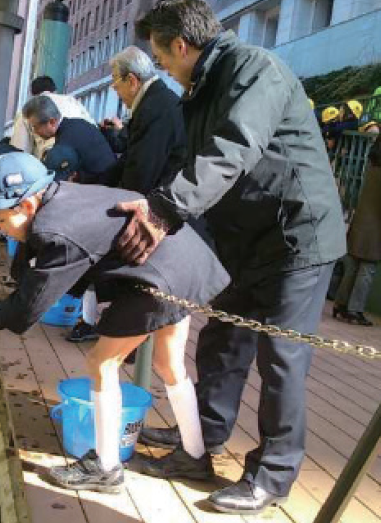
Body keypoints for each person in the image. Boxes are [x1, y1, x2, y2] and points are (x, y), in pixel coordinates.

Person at [118, 0, 346, 514]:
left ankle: (274, 474)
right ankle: (199, 446)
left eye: (161, 57)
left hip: (297, 239)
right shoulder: (199, 90)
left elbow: (232, 148)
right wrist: (159, 210)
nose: (164, 69)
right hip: (243, 239)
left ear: (181, 46)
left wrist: (165, 210)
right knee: (222, 340)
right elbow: (193, 161)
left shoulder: (255, 70)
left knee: (282, 360)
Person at [0, 152, 230, 493]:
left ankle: (106, 468)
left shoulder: (56, 229)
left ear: (26, 206)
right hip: (187, 259)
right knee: (168, 362)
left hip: (162, 277)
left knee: (101, 362)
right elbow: (36, 260)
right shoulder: (60, 197)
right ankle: (193, 455)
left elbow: (27, 308)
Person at [23, 95, 118, 342]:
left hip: (105, 207)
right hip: (109, 198)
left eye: (35, 127)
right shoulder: (79, 125)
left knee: (87, 263)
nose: (34, 133)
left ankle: (89, 323)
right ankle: (87, 318)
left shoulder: (64, 145)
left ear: (51, 122)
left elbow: (54, 189)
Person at [103, 45, 186, 194]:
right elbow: (127, 162)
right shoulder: (155, 102)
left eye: (116, 86)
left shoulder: (154, 110)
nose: (117, 93)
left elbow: (138, 181)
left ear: (131, 81)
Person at [333, 134, 381, 326]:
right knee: (367, 269)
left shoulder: (372, 164)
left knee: (352, 266)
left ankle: (341, 304)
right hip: (375, 227)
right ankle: (354, 310)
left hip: (361, 221)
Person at [11, 76, 95, 159]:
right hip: (85, 158)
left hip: (52, 160)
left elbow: (19, 151)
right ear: (55, 91)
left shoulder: (29, 111)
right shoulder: (73, 102)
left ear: (33, 96)